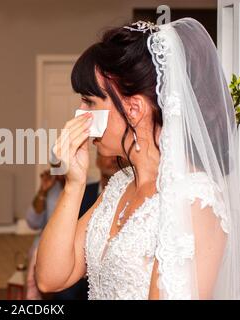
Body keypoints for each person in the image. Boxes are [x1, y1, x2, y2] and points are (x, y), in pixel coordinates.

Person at [35, 18, 240, 299]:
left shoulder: (193, 200)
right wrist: (74, 183)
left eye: (89, 102)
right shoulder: (120, 184)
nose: (79, 114)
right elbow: (50, 278)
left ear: (133, 109)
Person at [25, 154, 119, 299]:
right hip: (59, 247)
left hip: (85, 252)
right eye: (58, 166)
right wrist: (43, 191)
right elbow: (32, 223)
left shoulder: (84, 187)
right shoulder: (53, 188)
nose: (63, 169)